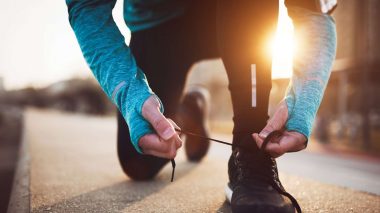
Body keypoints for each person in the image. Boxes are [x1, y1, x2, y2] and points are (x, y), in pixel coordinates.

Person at [65, 0, 337, 212]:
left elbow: (315, 12)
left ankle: (251, 153)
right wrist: (132, 96)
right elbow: (86, 7)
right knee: (138, 161)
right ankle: (188, 109)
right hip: (158, 23)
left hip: (242, 15)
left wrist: (303, 101)